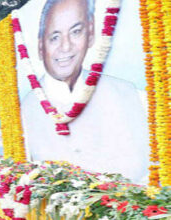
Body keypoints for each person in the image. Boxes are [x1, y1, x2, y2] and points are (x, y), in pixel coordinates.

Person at [20, 0, 149, 183]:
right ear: (41, 47)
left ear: (90, 35)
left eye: (76, 32)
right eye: (54, 37)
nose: (65, 46)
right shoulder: (25, 108)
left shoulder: (131, 94)